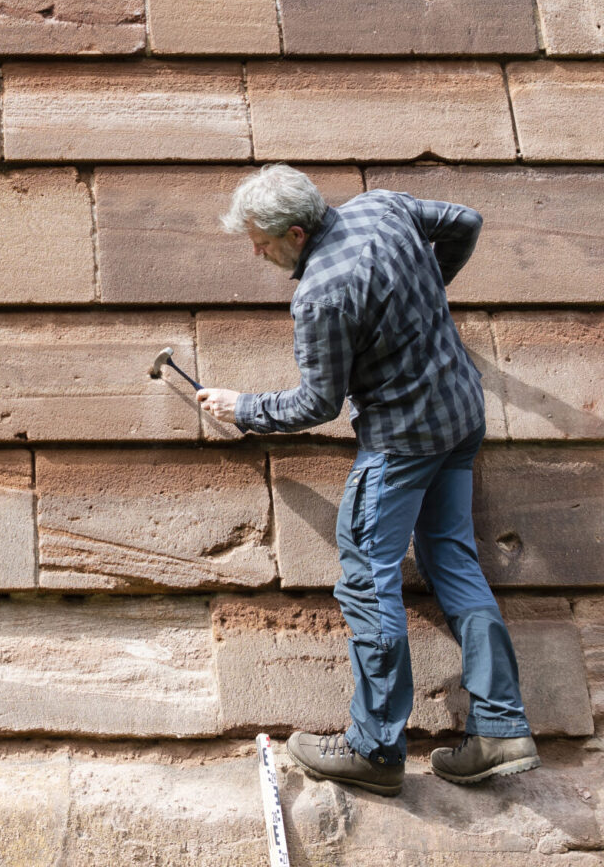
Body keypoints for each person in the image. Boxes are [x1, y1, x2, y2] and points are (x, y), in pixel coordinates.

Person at [195, 164, 537, 798]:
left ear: (296, 233)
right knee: (456, 562)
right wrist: (430, 290)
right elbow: (465, 222)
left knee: (366, 578)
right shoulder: (383, 208)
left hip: (403, 441)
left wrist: (242, 409)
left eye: (262, 242)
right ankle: (501, 726)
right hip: (460, 416)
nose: (256, 252)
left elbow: (317, 405)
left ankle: (376, 748)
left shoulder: (320, 294)